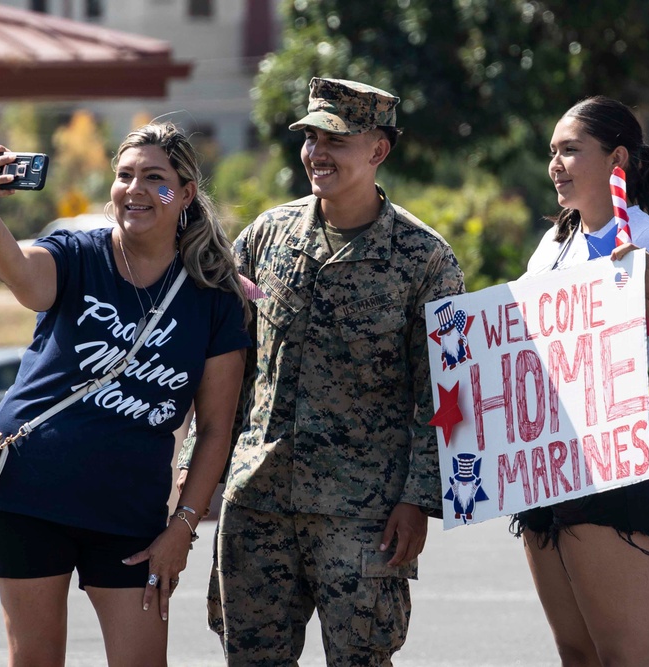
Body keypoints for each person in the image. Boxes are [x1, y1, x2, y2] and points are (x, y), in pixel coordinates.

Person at [181, 77, 465, 665]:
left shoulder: (425, 259)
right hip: (258, 499)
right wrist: (198, 475)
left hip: (365, 513)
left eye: (335, 139)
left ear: (377, 151)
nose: (317, 153)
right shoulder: (266, 236)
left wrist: (419, 500)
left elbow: (441, 395)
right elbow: (229, 366)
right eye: (310, 137)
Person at [0, 122, 250, 666]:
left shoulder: (213, 298)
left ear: (185, 194)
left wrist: (183, 527)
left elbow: (216, 427)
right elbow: (23, 276)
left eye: (155, 178)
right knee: (35, 659)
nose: (135, 189)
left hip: (130, 514)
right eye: (124, 176)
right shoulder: (77, 254)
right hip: (28, 496)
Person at [518, 96, 649, 665]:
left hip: (615, 460)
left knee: (624, 654)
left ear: (616, 159)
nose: (555, 163)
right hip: (545, 460)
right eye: (552, 151)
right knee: (575, 651)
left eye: (571, 150)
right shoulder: (553, 245)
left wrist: (646, 284)